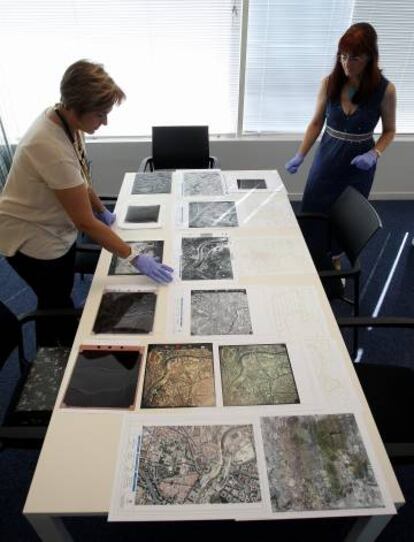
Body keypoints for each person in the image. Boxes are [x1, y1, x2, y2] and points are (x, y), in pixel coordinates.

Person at [0, 60, 174, 343]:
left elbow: (80, 175)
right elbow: (83, 222)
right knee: (54, 302)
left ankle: (61, 342)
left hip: (51, 225)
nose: (105, 122)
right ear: (74, 106)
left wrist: (102, 209)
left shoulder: (65, 119)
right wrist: (134, 256)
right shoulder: (48, 146)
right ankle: (54, 355)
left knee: (57, 298)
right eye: (100, 114)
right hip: (30, 238)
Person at [285, 22, 396, 265]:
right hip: (327, 157)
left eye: (354, 58)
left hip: (358, 166)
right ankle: (310, 257)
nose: (347, 63)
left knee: (344, 217)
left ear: (369, 57)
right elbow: (316, 123)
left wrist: (375, 153)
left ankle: (334, 259)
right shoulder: (329, 83)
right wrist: (301, 155)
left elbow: (389, 131)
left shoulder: (386, 91)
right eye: (343, 56)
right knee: (314, 206)